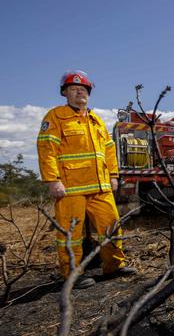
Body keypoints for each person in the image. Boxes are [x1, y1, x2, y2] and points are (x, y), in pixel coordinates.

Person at [37, 70, 136, 289]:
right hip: (70, 189)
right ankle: (72, 275)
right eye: (73, 89)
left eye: (83, 89)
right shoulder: (55, 117)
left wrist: (113, 175)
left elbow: (109, 151)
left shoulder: (96, 120)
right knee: (70, 235)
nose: (79, 92)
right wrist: (53, 180)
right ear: (65, 93)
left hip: (101, 187)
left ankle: (114, 266)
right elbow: (46, 150)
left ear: (88, 93)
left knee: (111, 226)